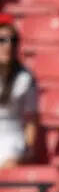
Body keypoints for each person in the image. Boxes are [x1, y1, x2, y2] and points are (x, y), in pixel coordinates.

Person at [0, 21, 38, 168]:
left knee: (8, 165)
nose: (7, 46)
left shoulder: (25, 78)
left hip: (11, 137)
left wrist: (28, 148)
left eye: (13, 40)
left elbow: (32, 117)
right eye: (2, 40)